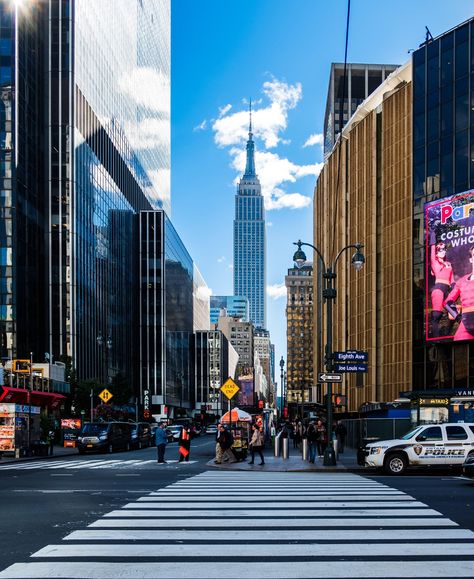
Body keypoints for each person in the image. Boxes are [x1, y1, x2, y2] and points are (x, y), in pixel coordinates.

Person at [429, 231, 453, 337]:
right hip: (438, 289)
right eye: (440, 250)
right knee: (436, 315)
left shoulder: (448, 264)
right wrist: (433, 237)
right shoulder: (434, 262)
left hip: (447, 289)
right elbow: (432, 250)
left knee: (453, 313)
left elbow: (452, 278)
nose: (443, 251)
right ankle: (436, 337)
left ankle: (447, 334)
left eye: (444, 250)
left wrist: (454, 287)